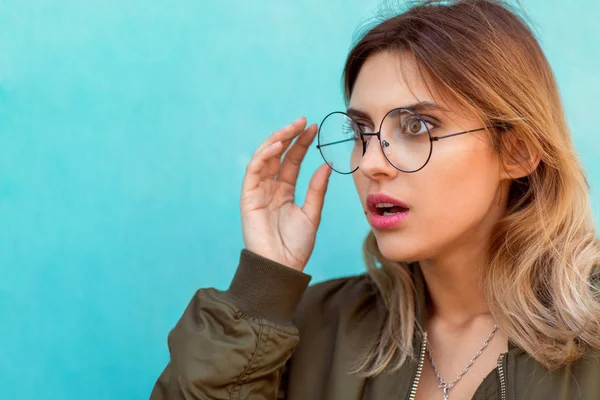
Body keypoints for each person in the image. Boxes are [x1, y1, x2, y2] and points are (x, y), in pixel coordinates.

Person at [149, 0, 600, 399]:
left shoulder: (591, 338)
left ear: (517, 150)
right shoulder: (310, 329)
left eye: (417, 127)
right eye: (361, 132)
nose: (370, 164)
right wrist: (260, 292)